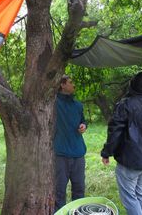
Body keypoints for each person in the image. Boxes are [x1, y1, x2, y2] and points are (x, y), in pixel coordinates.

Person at [100, 71, 142, 215]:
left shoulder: (125, 105)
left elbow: (115, 131)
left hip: (130, 161)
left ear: (133, 86)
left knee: (130, 197)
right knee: (141, 192)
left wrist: (106, 152)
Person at [54, 74, 87, 212]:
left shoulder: (78, 105)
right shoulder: (53, 103)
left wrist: (84, 125)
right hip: (60, 154)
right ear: (62, 85)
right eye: (70, 82)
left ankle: (78, 212)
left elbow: (83, 121)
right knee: (59, 191)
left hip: (78, 153)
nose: (73, 85)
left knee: (79, 189)